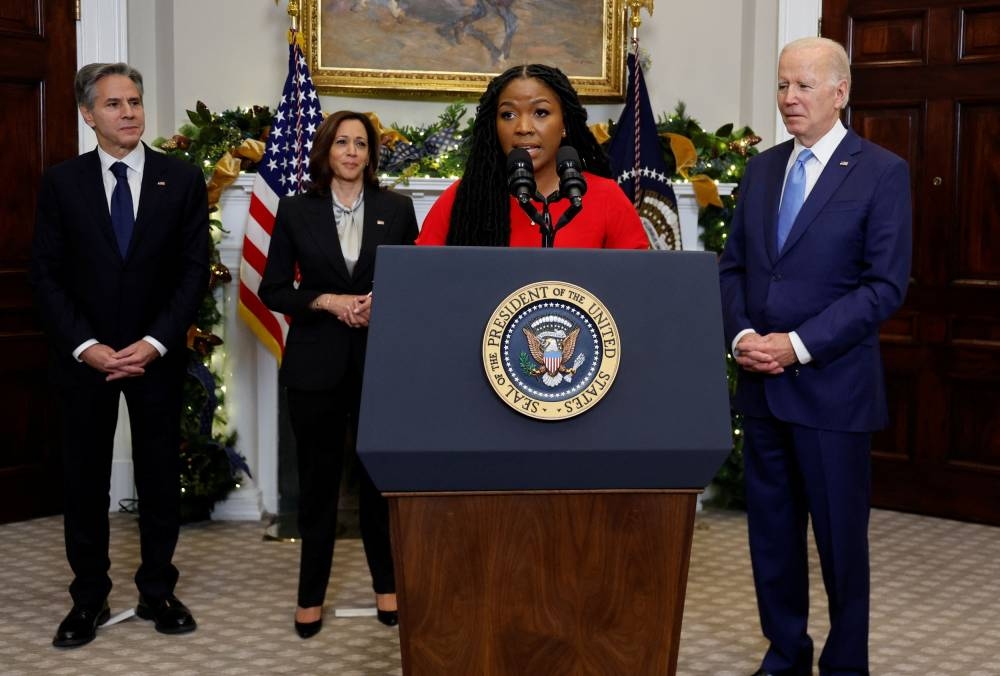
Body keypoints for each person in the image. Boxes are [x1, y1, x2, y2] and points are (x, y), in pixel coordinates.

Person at [718, 37, 912, 676]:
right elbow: (735, 269)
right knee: (771, 539)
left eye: (803, 86)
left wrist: (797, 346)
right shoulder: (762, 169)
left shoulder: (882, 171)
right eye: (781, 86)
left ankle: (846, 664)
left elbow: (883, 287)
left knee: (839, 545)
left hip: (832, 391)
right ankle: (785, 653)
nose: (789, 99)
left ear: (841, 92)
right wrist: (745, 337)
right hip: (762, 388)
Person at [31, 63, 208, 648]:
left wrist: (155, 343)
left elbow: (191, 273)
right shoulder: (61, 182)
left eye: (135, 101)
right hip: (86, 361)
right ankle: (89, 599)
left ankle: (158, 590)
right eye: (114, 104)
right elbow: (47, 275)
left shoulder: (179, 179)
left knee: (159, 478)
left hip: (154, 358)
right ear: (89, 114)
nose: (129, 112)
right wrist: (88, 347)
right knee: (84, 481)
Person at [259, 111, 418, 638]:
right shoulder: (295, 209)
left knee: (378, 488)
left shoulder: (397, 208)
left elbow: (414, 279)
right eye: (342, 142)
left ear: (371, 154)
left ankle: (387, 588)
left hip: (382, 365)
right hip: (315, 368)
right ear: (326, 150)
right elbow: (275, 290)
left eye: (361, 143)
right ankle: (309, 597)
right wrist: (329, 300)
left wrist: (379, 303)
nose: (352, 151)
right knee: (318, 490)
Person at [417, 63, 648, 249]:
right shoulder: (464, 197)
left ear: (565, 124)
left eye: (541, 112)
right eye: (508, 115)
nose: (523, 127)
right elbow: (418, 278)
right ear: (494, 126)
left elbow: (639, 286)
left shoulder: (607, 197)